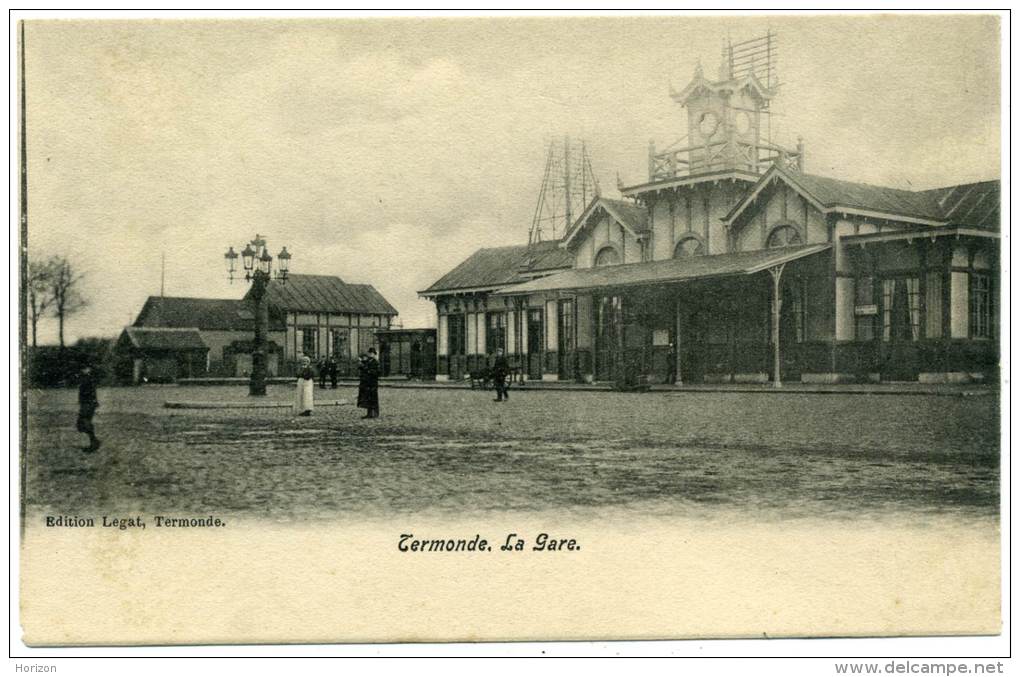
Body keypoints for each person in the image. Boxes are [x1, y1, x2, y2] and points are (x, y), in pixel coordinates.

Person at [77, 364, 101, 452]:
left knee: (83, 422)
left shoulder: (88, 379)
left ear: (89, 369)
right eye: (82, 369)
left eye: (85, 368)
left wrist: (90, 402)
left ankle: (93, 442)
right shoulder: (87, 378)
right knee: (82, 424)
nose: (83, 370)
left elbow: (89, 392)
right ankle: (93, 441)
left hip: (88, 403)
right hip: (88, 403)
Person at [357, 348, 380, 419]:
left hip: (372, 383)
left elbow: (377, 372)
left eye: (372, 353)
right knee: (368, 398)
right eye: (370, 353)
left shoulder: (375, 362)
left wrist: (367, 369)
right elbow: (362, 368)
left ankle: (375, 413)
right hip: (366, 383)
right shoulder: (367, 361)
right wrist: (361, 365)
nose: (370, 354)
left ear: (374, 354)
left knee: (373, 398)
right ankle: (369, 413)